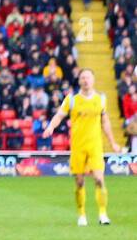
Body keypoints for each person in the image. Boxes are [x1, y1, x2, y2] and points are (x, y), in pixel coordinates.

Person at [43, 69, 121, 225]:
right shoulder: (71, 99)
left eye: (88, 77)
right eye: (83, 77)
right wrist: (51, 127)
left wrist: (112, 142)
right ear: (79, 81)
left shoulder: (101, 99)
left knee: (99, 179)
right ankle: (82, 215)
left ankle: (103, 214)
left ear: (93, 80)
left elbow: (105, 122)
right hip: (78, 146)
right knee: (79, 181)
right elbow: (59, 115)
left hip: (95, 145)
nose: (85, 80)